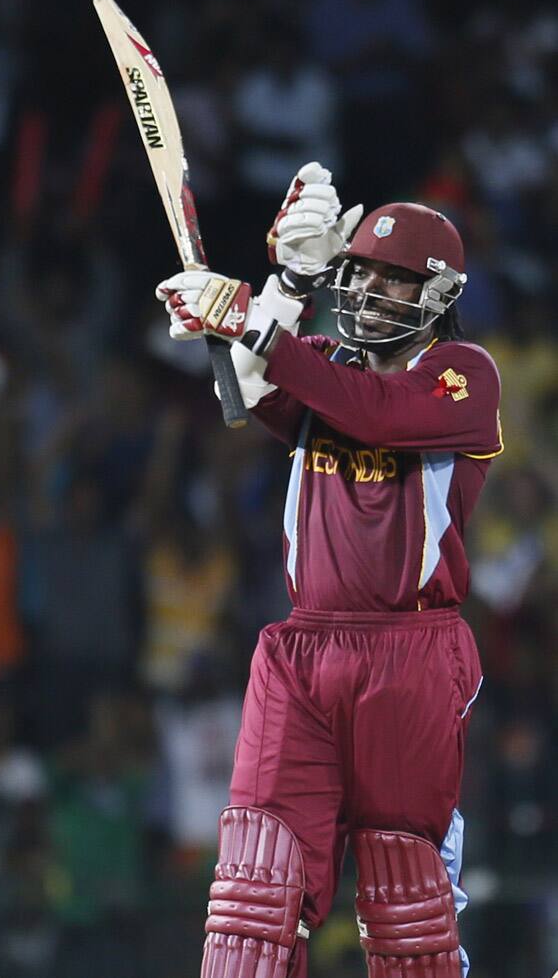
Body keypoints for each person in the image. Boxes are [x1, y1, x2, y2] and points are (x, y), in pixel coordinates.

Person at [155, 163, 503, 978]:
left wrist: (253, 323)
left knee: (403, 897)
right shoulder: (320, 363)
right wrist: (284, 282)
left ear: (439, 294)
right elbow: (240, 391)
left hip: (412, 653)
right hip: (302, 653)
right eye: (364, 271)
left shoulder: (465, 377)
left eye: (398, 278)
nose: (374, 289)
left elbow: (376, 415)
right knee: (254, 890)